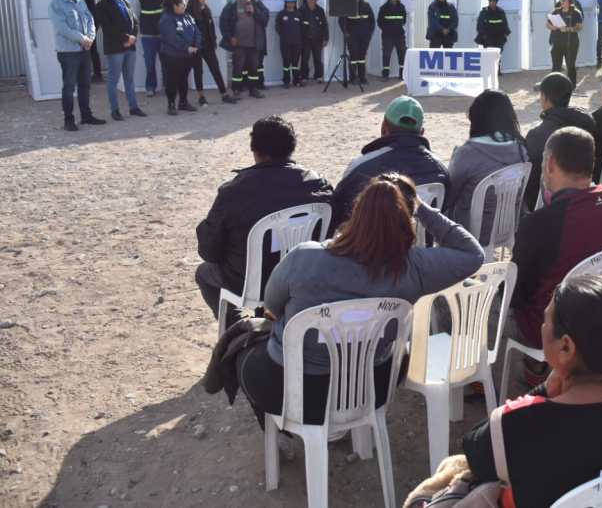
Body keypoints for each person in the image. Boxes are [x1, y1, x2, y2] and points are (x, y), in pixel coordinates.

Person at [236, 173, 485, 429]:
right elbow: (473, 254)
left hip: (297, 391)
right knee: (401, 350)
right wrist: (421, 207)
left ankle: (281, 433)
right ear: (407, 221)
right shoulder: (415, 267)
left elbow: (272, 308)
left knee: (243, 349)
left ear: (356, 213)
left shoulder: (304, 258)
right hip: (372, 387)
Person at [461, 275, 602, 508]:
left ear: (566, 347)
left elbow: (474, 451)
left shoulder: (519, 422)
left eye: (545, 321)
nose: (542, 326)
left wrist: (542, 392)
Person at [195, 116, 333, 326]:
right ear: (291, 148)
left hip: (250, 284)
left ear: (254, 148)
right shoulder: (318, 185)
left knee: (204, 273)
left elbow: (208, 252)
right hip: (303, 276)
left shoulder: (233, 191)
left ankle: (236, 328)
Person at [512, 128, 602, 360]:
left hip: (555, 330)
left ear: (550, 163)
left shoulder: (540, 223)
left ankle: (497, 376)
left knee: (477, 310)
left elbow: (517, 294)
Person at [329, 95, 450, 232]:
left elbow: (338, 214)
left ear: (384, 128)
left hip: (372, 244)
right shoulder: (440, 170)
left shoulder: (360, 167)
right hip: (424, 244)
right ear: (422, 133)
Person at [446, 89, 529, 240]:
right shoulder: (520, 149)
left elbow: (449, 195)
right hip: (509, 227)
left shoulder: (466, 153)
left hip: (471, 232)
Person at [524, 73, 597, 210]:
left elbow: (531, 177)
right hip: (583, 192)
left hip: (549, 202)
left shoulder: (537, 134)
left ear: (545, 98)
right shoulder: (587, 121)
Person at [48, 0, 104, 131]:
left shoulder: (80, 1)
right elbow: (62, 28)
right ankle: (69, 120)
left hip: (84, 49)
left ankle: (86, 116)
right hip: (68, 52)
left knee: (85, 85)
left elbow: (90, 19)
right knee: (69, 86)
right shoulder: (56, 4)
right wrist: (82, 39)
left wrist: (90, 38)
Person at [94, 0, 145, 120]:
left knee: (129, 79)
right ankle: (115, 110)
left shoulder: (125, 2)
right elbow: (108, 28)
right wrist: (126, 38)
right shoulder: (102, 5)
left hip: (130, 47)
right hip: (115, 48)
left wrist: (132, 37)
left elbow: (135, 21)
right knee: (113, 80)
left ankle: (133, 107)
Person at [220, 0, 268, 99]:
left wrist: (254, 11)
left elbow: (265, 19)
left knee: (254, 68)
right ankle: (236, 89)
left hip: (254, 44)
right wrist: (230, 37)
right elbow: (223, 23)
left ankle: (253, 89)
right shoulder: (231, 5)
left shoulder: (257, 3)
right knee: (238, 68)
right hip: (238, 44)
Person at [186, 0, 234, 105]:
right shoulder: (188, 12)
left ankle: (224, 94)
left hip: (208, 45)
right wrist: (193, 46)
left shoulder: (206, 9)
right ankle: (201, 96)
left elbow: (210, 28)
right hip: (196, 47)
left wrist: (213, 41)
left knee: (215, 69)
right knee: (198, 71)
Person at [158, 0, 201, 116]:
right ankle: (171, 104)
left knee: (183, 79)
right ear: (175, 6)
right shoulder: (167, 19)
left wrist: (196, 44)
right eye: (183, 4)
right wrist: (187, 47)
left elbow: (196, 31)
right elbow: (171, 38)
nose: (185, 6)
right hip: (172, 55)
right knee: (172, 80)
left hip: (187, 55)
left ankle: (183, 102)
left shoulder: (187, 16)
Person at [62, 0, 101, 83]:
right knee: (89, 48)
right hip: (89, 21)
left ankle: (92, 75)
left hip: (88, 22)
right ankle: (95, 74)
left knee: (87, 48)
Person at [138, 0, 166, 97]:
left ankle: (168, 85)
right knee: (150, 64)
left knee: (166, 62)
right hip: (148, 36)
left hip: (162, 36)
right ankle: (150, 87)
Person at [339, 0, 374, 84]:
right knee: (353, 56)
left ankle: (362, 78)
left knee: (362, 56)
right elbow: (341, 21)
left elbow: (372, 21)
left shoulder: (367, 6)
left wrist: (369, 34)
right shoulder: (347, 6)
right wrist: (345, 32)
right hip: (352, 37)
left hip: (364, 37)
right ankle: (353, 78)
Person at [547, 0, 584, 86]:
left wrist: (568, 29)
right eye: (561, 0)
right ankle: (555, 85)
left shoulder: (576, 12)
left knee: (570, 65)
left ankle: (571, 85)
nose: (562, 2)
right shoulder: (556, 11)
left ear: (569, 2)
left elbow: (579, 27)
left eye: (564, 0)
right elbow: (547, 24)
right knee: (556, 65)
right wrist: (553, 27)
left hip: (571, 43)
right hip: (556, 42)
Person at [298, 0, 329, 85]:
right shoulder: (302, 10)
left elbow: (324, 25)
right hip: (305, 39)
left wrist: (326, 38)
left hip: (317, 39)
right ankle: (304, 77)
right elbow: (298, 26)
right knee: (304, 59)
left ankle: (318, 76)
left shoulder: (320, 10)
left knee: (317, 58)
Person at [377, 0, 408, 80]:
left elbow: (404, 20)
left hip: (399, 35)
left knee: (402, 54)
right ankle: (385, 75)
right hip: (387, 36)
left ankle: (402, 74)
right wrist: (387, 29)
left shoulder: (402, 7)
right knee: (386, 55)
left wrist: (396, 27)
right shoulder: (383, 8)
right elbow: (379, 22)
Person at [474, 0, 511, 71]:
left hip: (499, 38)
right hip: (488, 38)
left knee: (497, 55)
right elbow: (479, 26)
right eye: (491, 1)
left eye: (494, 1)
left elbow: (505, 24)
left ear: (496, 1)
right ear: (489, 1)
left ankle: (497, 70)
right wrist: (484, 36)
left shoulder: (501, 12)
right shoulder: (484, 12)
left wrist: (506, 34)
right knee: (489, 56)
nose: (492, 2)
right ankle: (489, 71)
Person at [275, 0, 303, 88]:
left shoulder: (299, 14)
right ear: (286, 3)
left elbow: (303, 28)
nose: (290, 4)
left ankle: (296, 81)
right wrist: (284, 35)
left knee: (295, 63)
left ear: (295, 3)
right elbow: (277, 27)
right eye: (288, 2)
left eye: (292, 2)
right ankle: (286, 81)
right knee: (286, 62)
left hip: (297, 43)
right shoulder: (281, 14)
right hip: (285, 43)